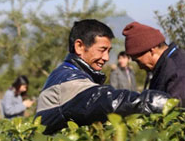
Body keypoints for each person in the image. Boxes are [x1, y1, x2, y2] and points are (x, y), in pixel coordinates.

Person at [35, 19, 171, 134]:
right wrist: (164, 103)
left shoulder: (73, 73)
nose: (106, 57)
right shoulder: (67, 78)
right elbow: (106, 101)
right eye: (102, 50)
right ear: (79, 46)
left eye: (109, 51)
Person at [123, 21, 185, 106]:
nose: (140, 67)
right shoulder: (162, 67)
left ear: (152, 50)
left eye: (138, 61)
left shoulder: (177, 71)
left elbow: (174, 112)